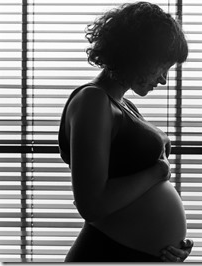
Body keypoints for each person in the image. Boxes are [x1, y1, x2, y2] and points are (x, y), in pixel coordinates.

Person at [59, 1, 194, 262]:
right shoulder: (93, 101)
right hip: (104, 254)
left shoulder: (122, 104)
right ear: (141, 54)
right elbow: (92, 205)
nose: (164, 79)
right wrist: (158, 172)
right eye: (162, 66)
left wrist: (171, 246)